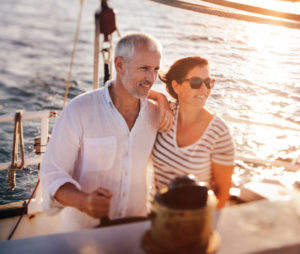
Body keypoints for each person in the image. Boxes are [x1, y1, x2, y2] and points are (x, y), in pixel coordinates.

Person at [40, 33, 172, 232]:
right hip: (81, 234)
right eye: (144, 68)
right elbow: (52, 173)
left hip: (134, 230)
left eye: (155, 69)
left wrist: (162, 99)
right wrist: (83, 201)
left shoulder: (157, 114)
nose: (152, 79)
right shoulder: (79, 110)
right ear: (119, 65)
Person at [152, 56, 235, 209]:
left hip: (193, 219)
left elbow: (223, 193)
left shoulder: (218, 132)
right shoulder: (165, 113)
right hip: (156, 212)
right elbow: (130, 92)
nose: (204, 89)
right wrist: (160, 98)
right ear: (176, 86)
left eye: (209, 82)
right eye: (196, 82)